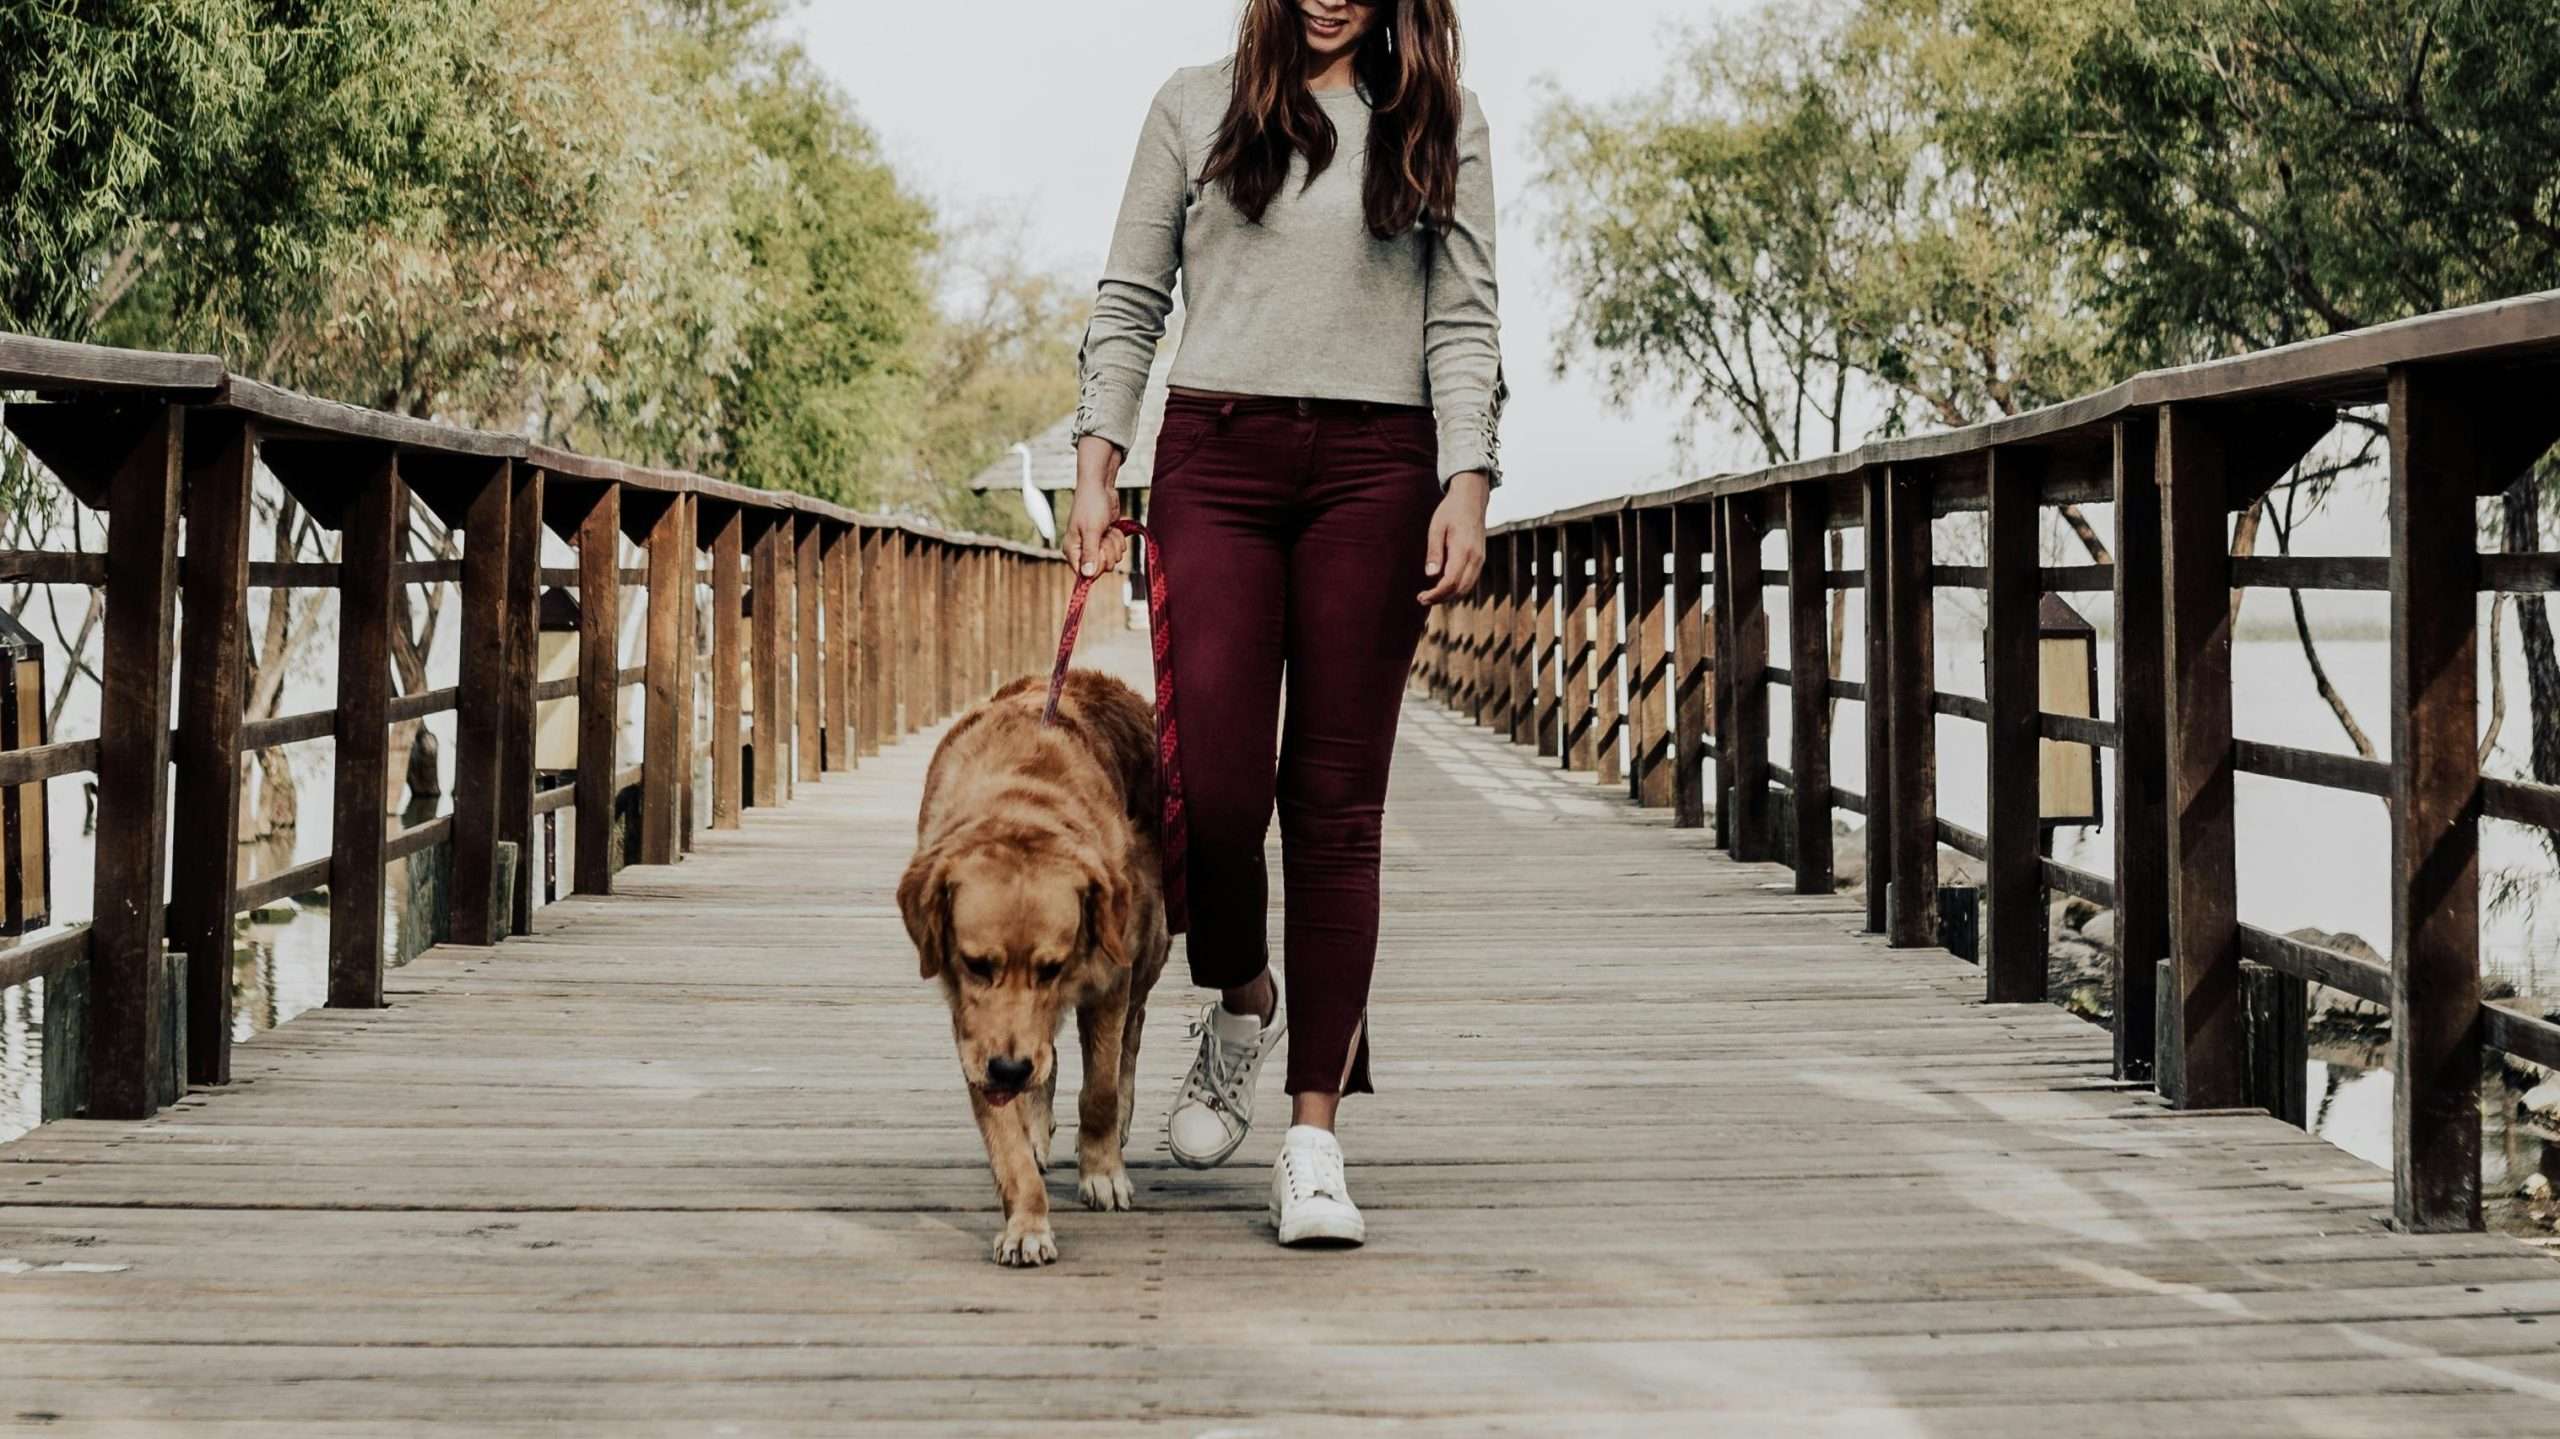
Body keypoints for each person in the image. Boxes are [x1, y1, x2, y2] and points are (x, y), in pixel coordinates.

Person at [1064, 0, 1502, 1249]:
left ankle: (1313, 1137)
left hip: (1377, 464)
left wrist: (1466, 477)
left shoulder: (1441, 119)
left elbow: (1464, 318)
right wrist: (1098, 461)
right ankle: (1242, 997)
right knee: (1212, 788)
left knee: (1337, 805)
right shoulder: (1193, 103)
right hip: (1217, 455)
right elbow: (1131, 296)